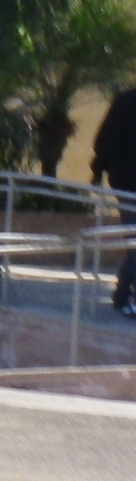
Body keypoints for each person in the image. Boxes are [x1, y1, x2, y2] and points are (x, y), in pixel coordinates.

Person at [88, 84, 136, 318]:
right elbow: (107, 139)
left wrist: (98, 169)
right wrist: (98, 168)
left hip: (123, 181)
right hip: (127, 182)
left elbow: (104, 139)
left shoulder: (125, 100)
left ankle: (122, 295)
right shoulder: (127, 101)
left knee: (134, 241)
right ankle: (124, 296)